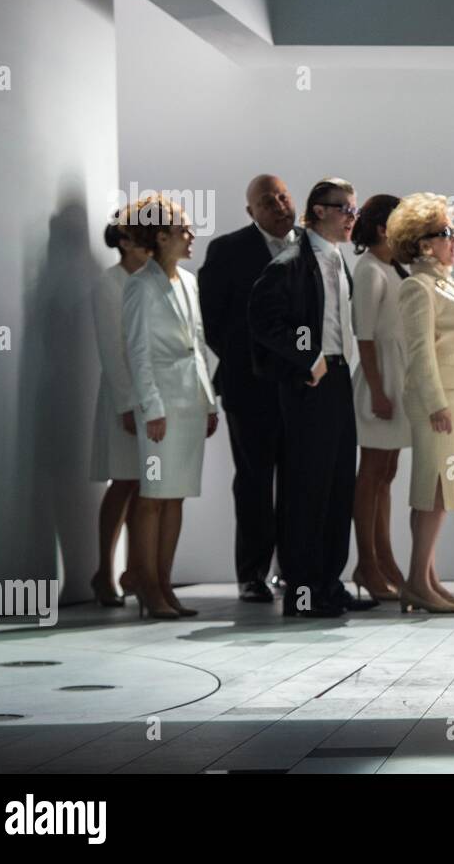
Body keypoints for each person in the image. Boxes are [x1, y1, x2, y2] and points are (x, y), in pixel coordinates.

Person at [249, 177, 377, 618]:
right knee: (307, 488)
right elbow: (264, 322)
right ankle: (303, 592)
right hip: (312, 383)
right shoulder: (290, 262)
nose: (352, 219)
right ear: (319, 210)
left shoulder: (338, 260)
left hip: (339, 379)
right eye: (346, 210)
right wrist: (309, 358)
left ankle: (328, 583)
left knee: (340, 483)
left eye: (355, 211)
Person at [199, 174, 296, 603]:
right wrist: (255, 360)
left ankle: (294, 569)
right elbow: (213, 323)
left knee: (299, 482)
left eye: (282, 196)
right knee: (255, 482)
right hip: (249, 387)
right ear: (250, 212)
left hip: (302, 388)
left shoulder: (312, 246)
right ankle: (252, 574)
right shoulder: (227, 251)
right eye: (266, 201)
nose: (277, 205)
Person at [121, 195, 219, 618]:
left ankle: (164, 582)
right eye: (181, 227)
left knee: (175, 496)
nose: (189, 233)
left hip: (190, 401)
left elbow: (197, 344)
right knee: (152, 496)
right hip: (161, 405)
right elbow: (137, 352)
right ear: (160, 237)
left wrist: (209, 401)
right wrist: (152, 408)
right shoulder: (139, 285)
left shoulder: (190, 281)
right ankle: (147, 585)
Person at [391, 193, 454, 613]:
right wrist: (435, 404)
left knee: (440, 489)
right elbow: (419, 352)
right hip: (437, 400)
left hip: (453, 397)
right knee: (434, 490)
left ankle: (426, 577)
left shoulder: (442, 282)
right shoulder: (417, 286)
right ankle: (417, 581)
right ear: (423, 242)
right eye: (446, 233)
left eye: (453, 231)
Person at [349, 194, 413, 602]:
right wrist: (376, 390)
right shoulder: (369, 269)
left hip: (397, 380)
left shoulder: (394, 269)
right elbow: (365, 338)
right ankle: (367, 564)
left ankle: (384, 560)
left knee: (386, 473)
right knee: (371, 474)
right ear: (380, 228)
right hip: (379, 384)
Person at [88, 205, 149, 606]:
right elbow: (112, 348)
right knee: (124, 480)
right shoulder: (109, 284)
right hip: (123, 395)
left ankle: (137, 570)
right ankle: (105, 571)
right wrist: (127, 402)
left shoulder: (149, 280)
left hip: (152, 396)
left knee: (147, 484)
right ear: (124, 241)